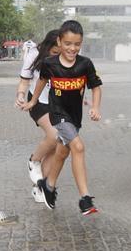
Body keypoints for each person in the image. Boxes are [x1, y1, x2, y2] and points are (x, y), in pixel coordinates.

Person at [23, 20, 103, 215]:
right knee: (78, 147)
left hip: (75, 116)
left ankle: (47, 187)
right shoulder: (50, 63)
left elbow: (96, 87)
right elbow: (41, 81)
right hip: (58, 115)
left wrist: (95, 107)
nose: (72, 48)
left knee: (62, 152)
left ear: (81, 43)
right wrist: (33, 101)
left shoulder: (85, 64)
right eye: (67, 43)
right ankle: (85, 199)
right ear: (59, 42)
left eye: (76, 44)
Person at [15, 30, 61, 203]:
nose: (57, 56)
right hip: (38, 102)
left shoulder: (67, 56)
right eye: (55, 52)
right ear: (47, 47)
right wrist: (20, 95)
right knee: (54, 135)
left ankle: (41, 186)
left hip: (58, 104)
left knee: (58, 147)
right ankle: (33, 160)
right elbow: (24, 81)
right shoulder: (34, 55)